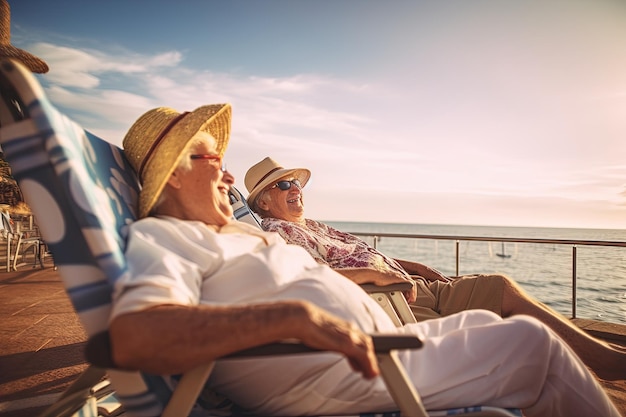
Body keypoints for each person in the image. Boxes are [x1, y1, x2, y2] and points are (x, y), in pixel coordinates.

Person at [111, 104, 620, 417]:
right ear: (174, 175)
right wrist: (293, 315)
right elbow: (136, 337)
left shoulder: (233, 236)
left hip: (364, 348)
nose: (226, 178)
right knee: (529, 343)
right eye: (213, 161)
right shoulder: (166, 236)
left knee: (487, 319)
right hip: (324, 376)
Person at [244, 156, 626, 381]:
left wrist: (415, 265)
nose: (296, 189)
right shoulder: (281, 233)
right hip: (392, 302)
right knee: (502, 288)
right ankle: (606, 362)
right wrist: (378, 276)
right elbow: (312, 280)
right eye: (284, 185)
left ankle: (596, 354)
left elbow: (362, 251)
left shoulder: (311, 225)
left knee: (504, 296)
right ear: (263, 203)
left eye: (296, 182)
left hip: (406, 286)